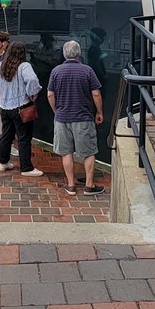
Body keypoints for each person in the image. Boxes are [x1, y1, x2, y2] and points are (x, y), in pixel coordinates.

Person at [47, 39, 105, 196]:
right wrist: (99, 112)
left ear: (64, 54)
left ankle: (71, 185)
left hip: (62, 118)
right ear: (79, 53)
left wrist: (56, 111)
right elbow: (96, 93)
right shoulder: (87, 70)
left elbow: (50, 94)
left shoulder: (56, 71)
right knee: (89, 152)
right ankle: (89, 185)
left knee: (66, 153)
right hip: (83, 118)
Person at [0, 41, 40, 175]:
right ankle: (26, 167)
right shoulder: (24, 66)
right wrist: (32, 93)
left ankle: (3, 162)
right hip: (21, 106)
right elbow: (32, 80)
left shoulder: (1, 65)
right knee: (24, 137)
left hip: (4, 107)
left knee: (6, 135)